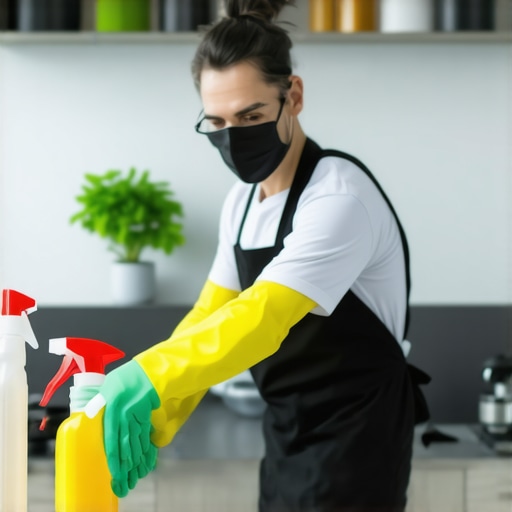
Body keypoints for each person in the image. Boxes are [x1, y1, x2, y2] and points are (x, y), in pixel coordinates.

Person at [90, 1, 430, 510]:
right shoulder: (243, 202)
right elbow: (211, 316)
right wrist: (159, 416)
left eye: (251, 116)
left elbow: (261, 318)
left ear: (292, 96)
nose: (235, 138)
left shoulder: (338, 199)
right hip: (285, 436)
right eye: (218, 123)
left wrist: (148, 375)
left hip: (358, 445)